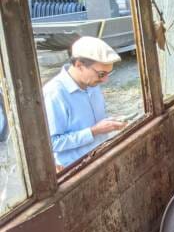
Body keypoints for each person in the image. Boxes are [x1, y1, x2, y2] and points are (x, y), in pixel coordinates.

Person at [42, 36, 125, 169]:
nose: (105, 80)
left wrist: (109, 123)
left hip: (101, 157)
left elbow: (94, 121)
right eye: (102, 74)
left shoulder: (92, 84)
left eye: (108, 73)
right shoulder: (54, 93)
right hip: (75, 169)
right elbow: (52, 143)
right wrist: (93, 131)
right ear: (79, 65)